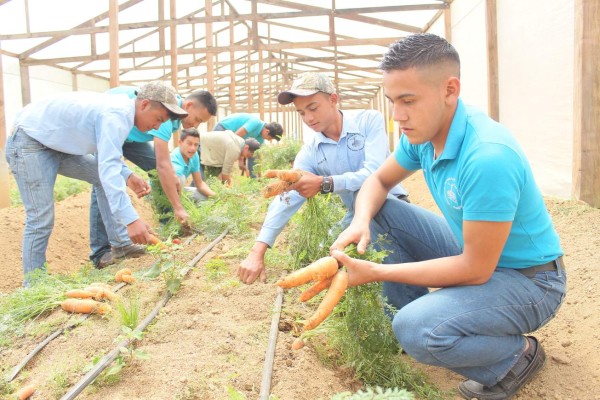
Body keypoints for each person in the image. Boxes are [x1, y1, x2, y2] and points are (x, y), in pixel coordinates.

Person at [330, 33, 566, 400]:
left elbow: (475, 270)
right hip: (474, 253)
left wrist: (377, 273)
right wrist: (361, 222)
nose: (398, 115)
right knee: (377, 211)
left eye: (408, 100)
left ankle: (513, 358)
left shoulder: (487, 156)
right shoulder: (421, 133)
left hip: (530, 282)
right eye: (393, 101)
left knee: (416, 328)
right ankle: (422, 319)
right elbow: (377, 180)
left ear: (449, 89)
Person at [5, 81, 187, 285]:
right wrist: (131, 220)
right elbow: (108, 168)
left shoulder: (123, 113)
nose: (157, 126)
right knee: (40, 217)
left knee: (103, 178)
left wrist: (127, 175)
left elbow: (107, 154)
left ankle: (121, 244)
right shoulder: (116, 114)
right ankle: (33, 286)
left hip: (56, 144)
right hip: (30, 142)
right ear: (144, 105)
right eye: (159, 119)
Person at [237, 71, 409, 285]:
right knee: (326, 253)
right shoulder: (311, 152)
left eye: (313, 108)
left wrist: (325, 183)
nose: (308, 118)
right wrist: (257, 250)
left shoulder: (368, 122)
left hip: (391, 208)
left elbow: (374, 174)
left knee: (392, 278)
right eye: (301, 113)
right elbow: (287, 198)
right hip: (356, 216)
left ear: (333, 99)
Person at [89, 87, 218, 268]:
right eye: (197, 119)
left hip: (131, 137)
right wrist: (178, 206)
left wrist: (172, 177)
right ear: (188, 105)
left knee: (161, 172)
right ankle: (101, 250)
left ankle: (165, 222)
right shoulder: (165, 112)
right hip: (110, 127)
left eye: (200, 123)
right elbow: (163, 165)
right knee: (103, 180)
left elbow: (164, 167)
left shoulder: (171, 116)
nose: (195, 126)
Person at [212, 113, 283, 178]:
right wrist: (241, 160)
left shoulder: (260, 139)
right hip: (223, 128)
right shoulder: (255, 122)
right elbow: (235, 138)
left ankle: (253, 180)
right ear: (267, 132)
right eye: (271, 138)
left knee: (254, 154)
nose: (269, 140)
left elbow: (256, 157)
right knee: (219, 160)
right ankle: (214, 180)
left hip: (232, 138)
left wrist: (260, 176)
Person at [171, 128, 215, 202]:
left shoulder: (194, 155)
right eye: (189, 144)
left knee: (205, 197)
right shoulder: (175, 159)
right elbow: (171, 185)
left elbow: (199, 183)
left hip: (180, 190)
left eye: (196, 144)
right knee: (181, 178)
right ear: (180, 142)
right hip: (163, 192)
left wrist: (216, 196)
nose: (193, 148)